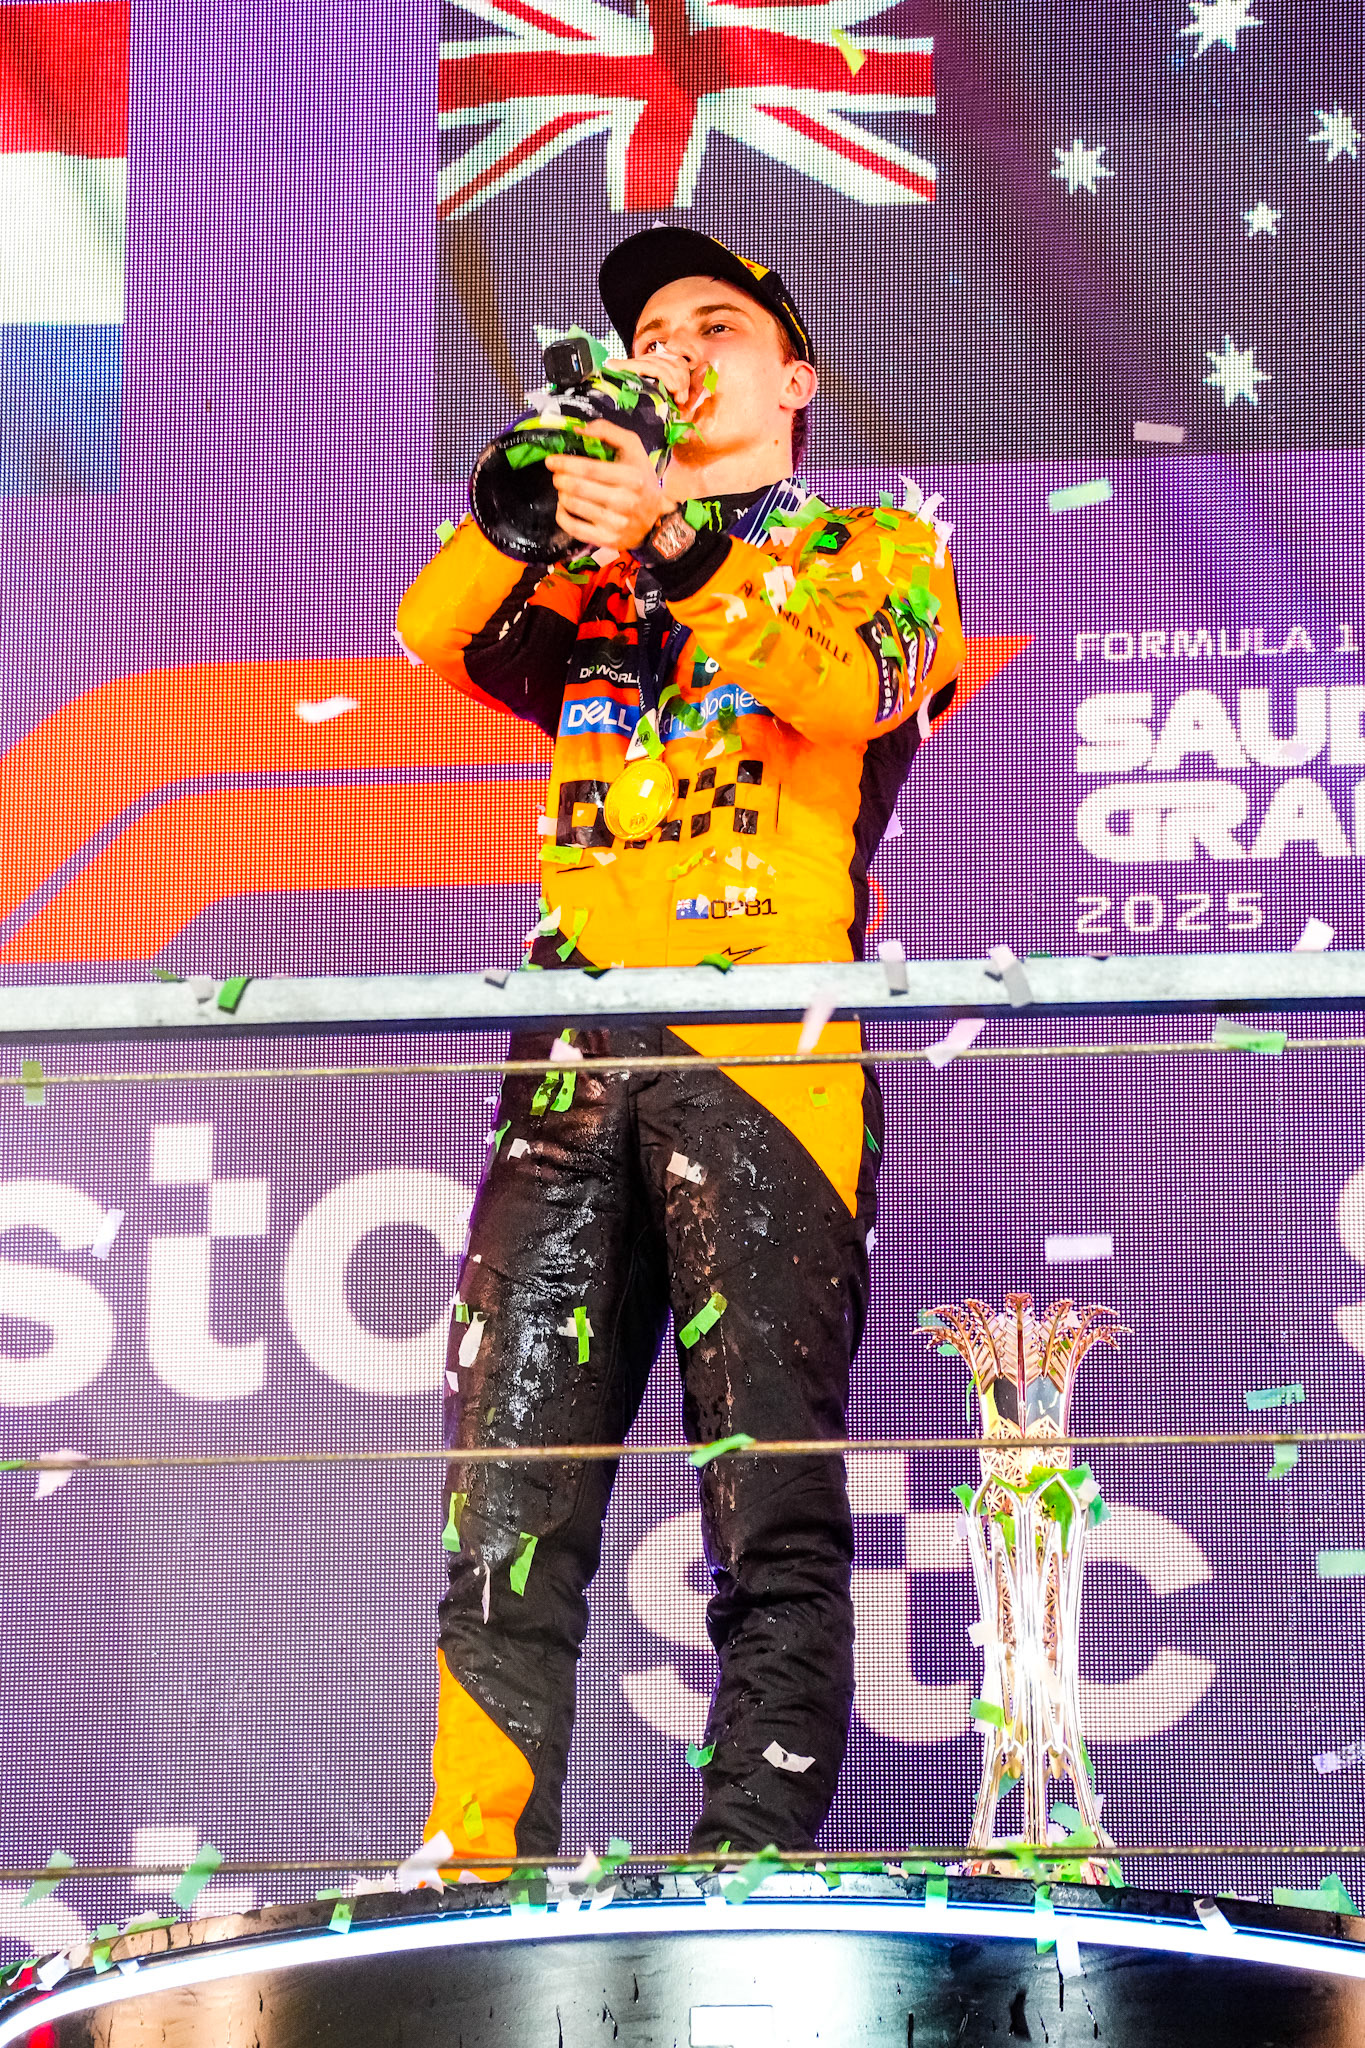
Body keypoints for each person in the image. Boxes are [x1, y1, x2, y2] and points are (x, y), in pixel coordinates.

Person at [395, 226, 966, 1868]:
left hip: (767, 1050)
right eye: (650, 335)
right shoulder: (588, 584)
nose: (676, 350)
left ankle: (749, 1851)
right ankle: (472, 1856)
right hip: (566, 1054)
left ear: (794, 380)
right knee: (509, 1486)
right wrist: (570, 473)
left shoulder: (879, 550)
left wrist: (682, 536)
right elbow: (435, 625)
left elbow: (846, 693)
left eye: (714, 327)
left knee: (762, 1488)